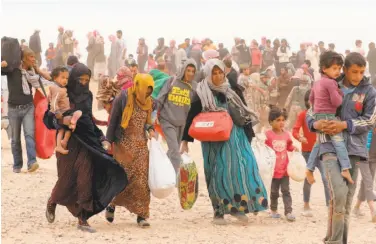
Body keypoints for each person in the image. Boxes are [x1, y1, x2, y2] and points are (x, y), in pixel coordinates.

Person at [181, 59, 266, 225]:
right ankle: (218, 211)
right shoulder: (201, 91)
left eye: (220, 72)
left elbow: (243, 111)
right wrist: (185, 140)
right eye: (214, 73)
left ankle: (239, 208)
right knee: (217, 173)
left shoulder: (231, 89)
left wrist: (250, 135)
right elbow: (191, 116)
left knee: (240, 169)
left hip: (236, 137)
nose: (218, 76)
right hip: (213, 141)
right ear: (208, 74)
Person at [44, 63, 127, 232]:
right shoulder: (62, 92)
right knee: (66, 179)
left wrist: (101, 137)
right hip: (67, 142)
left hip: (87, 142)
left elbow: (87, 118)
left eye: (86, 80)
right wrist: (62, 121)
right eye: (79, 80)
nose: (83, 83)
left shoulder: (88, 95)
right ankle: (53, 200)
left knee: (85, 178)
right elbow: (48, 118)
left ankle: (83, 219)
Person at [306, 52, 376, 244]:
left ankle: (336, 240)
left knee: (345, 202)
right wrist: (316, 125)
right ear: (345, 69)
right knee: (339, 193)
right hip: (329, 146)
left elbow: (370, 120)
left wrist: (344, 125)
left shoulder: (368, 91)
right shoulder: (330, 83)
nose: (358, 76)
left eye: (361, 72)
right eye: (354, 72)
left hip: (355, 150)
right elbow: (311, 112)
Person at [105, 73, 155, 227]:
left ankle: (142, 215)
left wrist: (151, 129)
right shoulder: (123, 98)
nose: (146, 93)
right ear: (138, 85)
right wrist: (108, 141)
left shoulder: (149, 102)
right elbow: (114, 120)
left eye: (149, 90)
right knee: (122, 177)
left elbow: (148, 122)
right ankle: (111, 204)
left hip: (141, 146)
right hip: (123, 144)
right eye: (145, 89)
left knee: (141, 181)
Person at [306, 51, 353, 184]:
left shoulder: (317, 83)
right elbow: (336, 102)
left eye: (339, 68)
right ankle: (345, 168)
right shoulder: (331, 83)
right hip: (329, 117)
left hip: (318, 116)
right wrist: (340, 94)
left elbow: (311, 99)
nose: (337, 71)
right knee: (339, 142)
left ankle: (309, 168)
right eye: (334, 68)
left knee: (318, 143)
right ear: (324, 69)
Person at [1, 47, 51, 173]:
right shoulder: (12, 69)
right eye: (31, 57)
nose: (34, 59)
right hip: (13, 109)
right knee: (15, 139)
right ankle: (17, 165)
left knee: (29, 135)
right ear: (23, 58)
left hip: (28, 107)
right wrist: (3, 62)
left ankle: (32, 162)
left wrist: (38, 69)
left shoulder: (32, 72)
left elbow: (49, 78)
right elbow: (2, 69)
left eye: (34, 56)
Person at [292, 90, 330, 217]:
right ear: (307, 102)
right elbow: (295, 130)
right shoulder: (303, 115)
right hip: (307, 152)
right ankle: (306, 204)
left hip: (322, 151)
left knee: (326, 178)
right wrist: (300, 138)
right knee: (308, 179)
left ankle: (329, 206)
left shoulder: (322, 115)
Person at [156, 59, 197, 173]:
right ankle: (175, 177)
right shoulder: (172, 81)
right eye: (188, 70)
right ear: (183, 70)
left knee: (172, 150)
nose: (190, 73)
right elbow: (160, 98)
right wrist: (154, 114)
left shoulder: (194, 87)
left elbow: (195, 107)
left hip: (182, 124)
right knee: (175, 150)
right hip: (167, 120)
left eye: (193, 71)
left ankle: (163, 169)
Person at [265, 107, 298, 222]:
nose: (281, 122)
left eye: (283, 120)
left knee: (286, 191)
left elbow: (289, 146)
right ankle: (273, 210)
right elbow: (264, 150)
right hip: (273, 170)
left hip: (284, 169)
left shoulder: (286, 135)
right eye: (278, 120)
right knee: (274, 192)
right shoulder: (267, 135)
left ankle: (288, 212)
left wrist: (294, 148)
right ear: (271, 122)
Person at [48, 66, 83, 154]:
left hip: (64, 112)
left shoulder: (59, 88)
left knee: (63, 129)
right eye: (62, 77)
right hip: (61, 113)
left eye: (67, 78)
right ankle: (62, 142)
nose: (65, 80)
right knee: (78, 113)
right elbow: (53, 102)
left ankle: (62, 143)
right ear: (55, 78)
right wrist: (57, 112)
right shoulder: (57, 89)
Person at [353, 128, 376, 222]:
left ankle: (356, 207)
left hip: (373, 159)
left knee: (365, 182)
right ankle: (373, 211)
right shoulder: (367, 123)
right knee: (368, 181)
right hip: (362, 157)